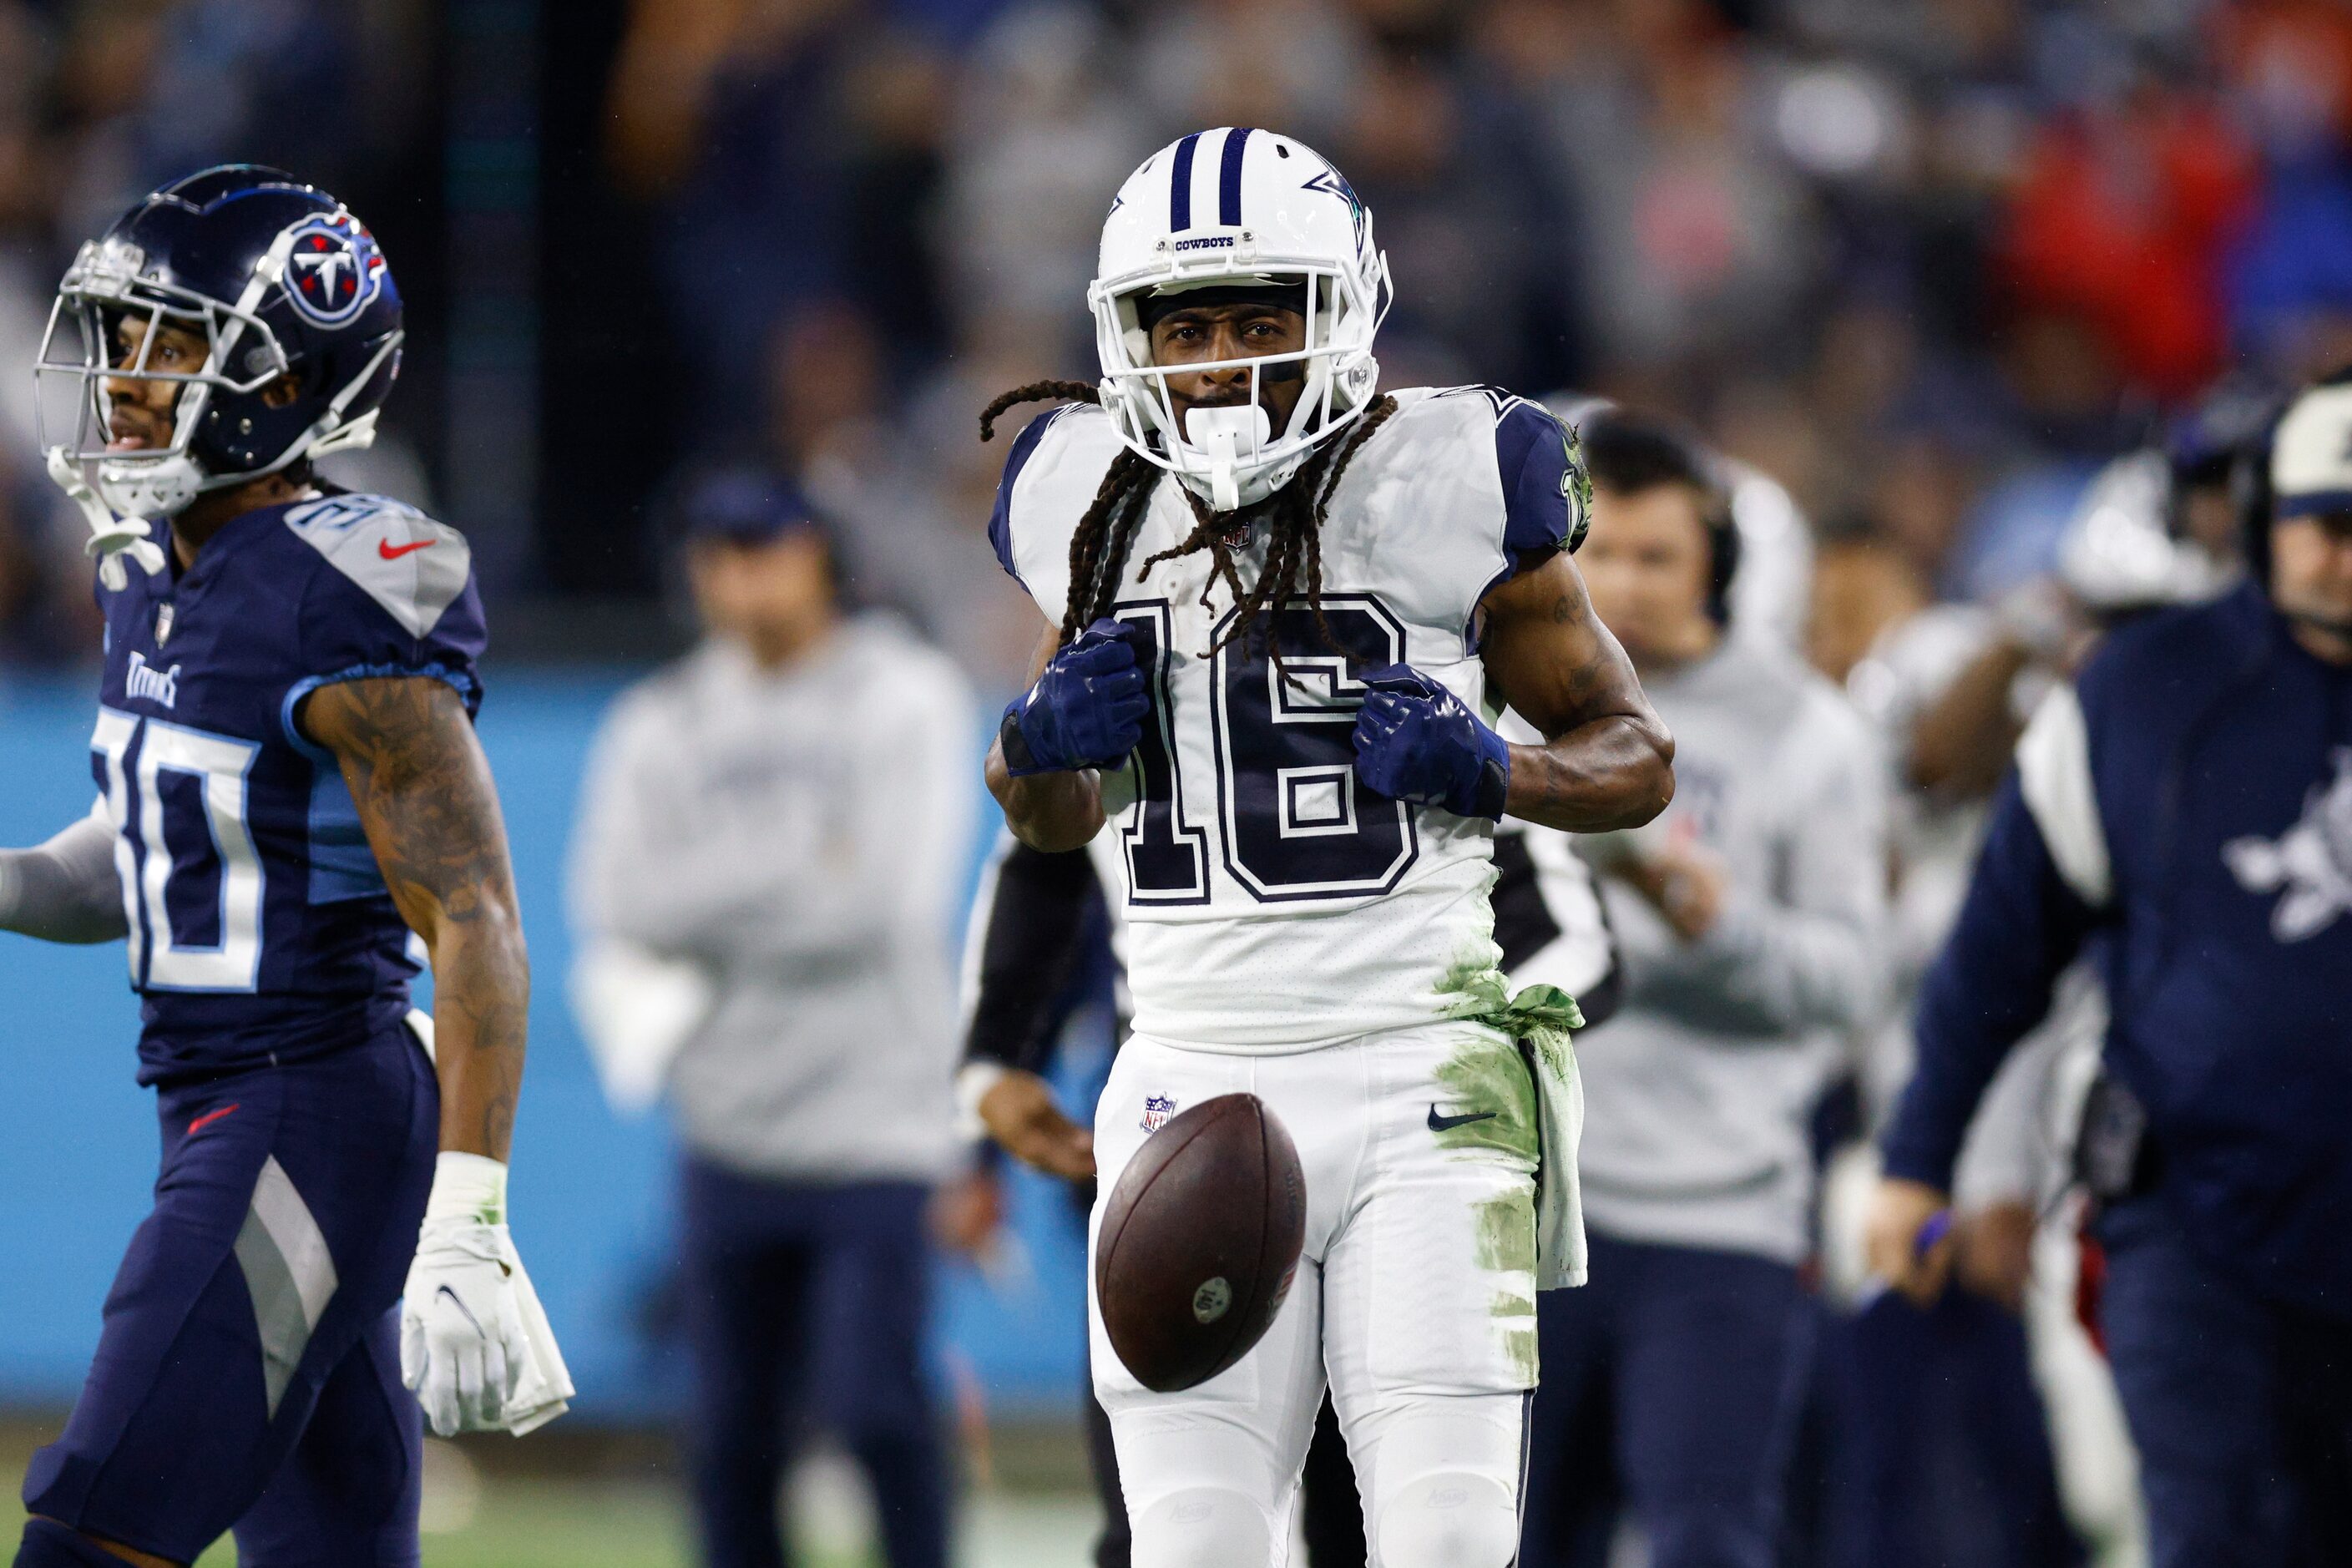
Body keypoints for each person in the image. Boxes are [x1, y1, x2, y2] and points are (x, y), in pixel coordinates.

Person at [980, 126, 1675, 1568]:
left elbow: (1637, 755)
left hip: (1425, 1073)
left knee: (1440, 1543)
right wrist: (1042, 751)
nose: (1224, 359)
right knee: (1193, 1549)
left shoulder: (1456, 474)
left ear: (1343, 309)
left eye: (1260, 316)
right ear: (1127, 339)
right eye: (1188, 325)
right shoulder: (1083, 500)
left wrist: (1498, 768)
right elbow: (1050, 820)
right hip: (1185, 1069)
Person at [0, 166, 566, 1568]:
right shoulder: (148, 566)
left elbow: (474, 910)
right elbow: (145, 861)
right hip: (229, 1115)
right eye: (122, 337)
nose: (126, 378)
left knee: (87, 1537)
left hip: (306, 1116)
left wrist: (473, 1209)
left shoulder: (346, 579)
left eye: (172, 344)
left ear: (283, 376)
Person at [1869, 371, 2352, 1566]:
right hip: (2190, 1218)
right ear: (2262, 524)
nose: (2350, 559)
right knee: (2200, 1535)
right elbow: (2001, 951)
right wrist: (1919, 1159)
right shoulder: (2143, 690)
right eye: (2328, 525)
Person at [955, 807, 1624, 1568]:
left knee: (1426, 1524)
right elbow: (1040, 846)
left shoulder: (1433, 693)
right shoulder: (1117, 695)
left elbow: (1574, 932)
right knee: (1177, 1532)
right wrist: (992, 1064)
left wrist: (1450, 1051)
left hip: (1399, 1143)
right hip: (1189, 1134)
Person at [569, 470, 976, 1568]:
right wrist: (800, 865)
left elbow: (882, 904)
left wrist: (708, 893)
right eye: (714, 552)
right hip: (727, 1120)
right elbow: (614, 906)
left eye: (761, 548)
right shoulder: (660, 718)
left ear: (819, 556)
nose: (735, 576)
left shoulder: (905, 693)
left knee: (875, 1405)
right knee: (730, 1440)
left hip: (876, 1118)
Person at [1515, 414, 1890, 1568]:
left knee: (1707, 1543)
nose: (1619, 584)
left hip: (1719, 1213)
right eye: (1599, 549)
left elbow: (1847, 982)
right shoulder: (1504, 702)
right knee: (1496, 1541)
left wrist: (1709, 924)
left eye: (1655, 556)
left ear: (1718, 571)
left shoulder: (1807, 732)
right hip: (1524, 1208)